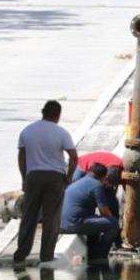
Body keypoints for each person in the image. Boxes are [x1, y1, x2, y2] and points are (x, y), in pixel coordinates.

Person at [13, 100, 78, 265]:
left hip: (33, 176)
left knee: (29, 216)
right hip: (55, 178)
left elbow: (21, 156)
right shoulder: (61, 132)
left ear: (43, 112)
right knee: (51, 217)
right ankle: (46, 255)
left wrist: (24, 177)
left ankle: (21, 254)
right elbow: (73, 156)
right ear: (58, 115)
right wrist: (69, 176)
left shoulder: (27, 131)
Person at [61, 163, 120, 260]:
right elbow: (104, 211)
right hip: (74, 224)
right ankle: (101, 255)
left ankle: (92, 251)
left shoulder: (77, 182)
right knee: (113, 223)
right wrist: (111, 218)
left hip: (61, 224)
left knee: (95, 220)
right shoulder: (96, 185)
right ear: (104, 177)